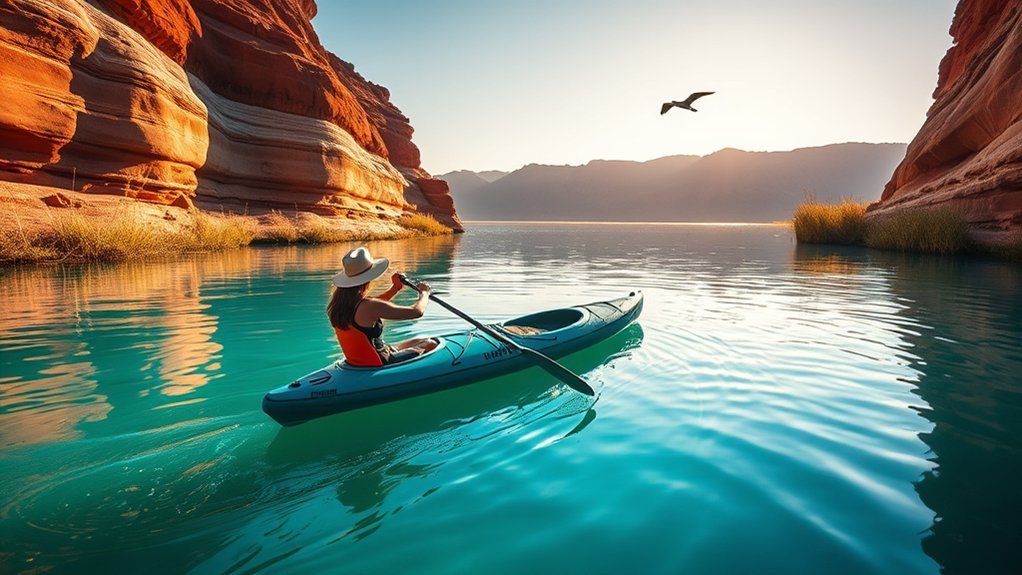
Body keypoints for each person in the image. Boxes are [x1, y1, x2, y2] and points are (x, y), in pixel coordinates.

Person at [327, 247, 438, 367]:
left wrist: (395, 288)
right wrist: (425, 293)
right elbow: (417, 312)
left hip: (359, 361)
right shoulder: (369, 306)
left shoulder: (338, 305)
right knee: (430, 343)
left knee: (420, 340)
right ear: (367, 279)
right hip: (379, 362)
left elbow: (374, 307)